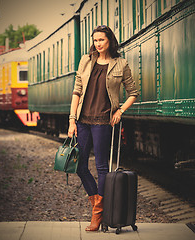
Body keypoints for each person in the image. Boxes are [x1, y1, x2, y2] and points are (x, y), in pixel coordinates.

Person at [68, 25, 138, 231]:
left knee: (101, 167)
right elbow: (76, 91)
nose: (98, 44)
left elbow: (133, 92)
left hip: (103, 122)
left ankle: (97, 214)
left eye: (102, 40)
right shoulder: (86, 60)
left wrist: (120, 111)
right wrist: (72, 120)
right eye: (95, 40)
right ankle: (98, 203)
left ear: (110, 41)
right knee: (80, 166)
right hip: (83, 120)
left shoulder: (120, 64)